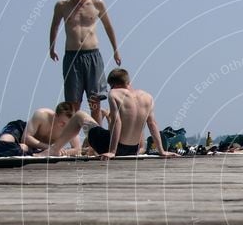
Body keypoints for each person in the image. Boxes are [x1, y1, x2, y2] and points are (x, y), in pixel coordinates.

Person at [40, 68, 175, 159]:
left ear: (113, 85)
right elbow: (152, 124)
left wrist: (112, 151)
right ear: (128, 82)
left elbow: (117, 122)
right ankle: (59, 148)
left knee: (80, 115)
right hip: (133, 150)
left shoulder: (114, 94)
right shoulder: (148, 97)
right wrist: (162, 151)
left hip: (115, 147)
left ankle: (55, 149)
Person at [49, 0, 121, 113]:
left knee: (95, 100)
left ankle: (95, 133)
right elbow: (54, 26)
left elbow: (108, 26)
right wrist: (52, 48)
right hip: (72, 55)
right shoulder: (62, 5)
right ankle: (75, 133)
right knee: (73, 102)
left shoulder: (97, 3)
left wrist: (115, 50)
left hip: (92, 54)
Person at [0, 102, 78, 167]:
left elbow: (76, 149)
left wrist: (65, 152)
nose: (64, 127)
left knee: (21, 149)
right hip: (21, 131)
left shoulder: (71, 126)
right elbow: (26, 138)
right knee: (6, 142)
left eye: (67, 124)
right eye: (62, 123)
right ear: (55, 116)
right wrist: (51, 149)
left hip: (35, 146)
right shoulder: (42, 115)